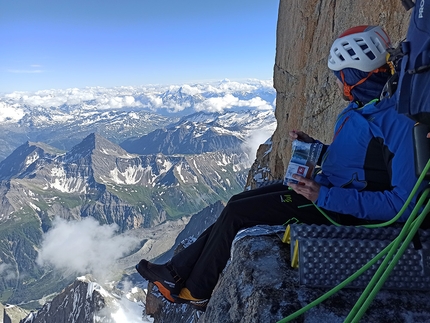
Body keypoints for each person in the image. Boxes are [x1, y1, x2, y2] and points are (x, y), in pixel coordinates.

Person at [136, 25, 423, 310]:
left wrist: (321, 196)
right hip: (330, 190)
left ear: (354, 77)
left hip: (339, 210)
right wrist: (316, 150)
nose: (337, 84)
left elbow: (404, 205)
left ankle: (196, 290)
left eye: (340, 77)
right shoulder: (365, 106)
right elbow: (360, 161)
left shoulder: (398, 122)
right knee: (238, 202)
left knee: (239, 212)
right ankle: (175, 273)